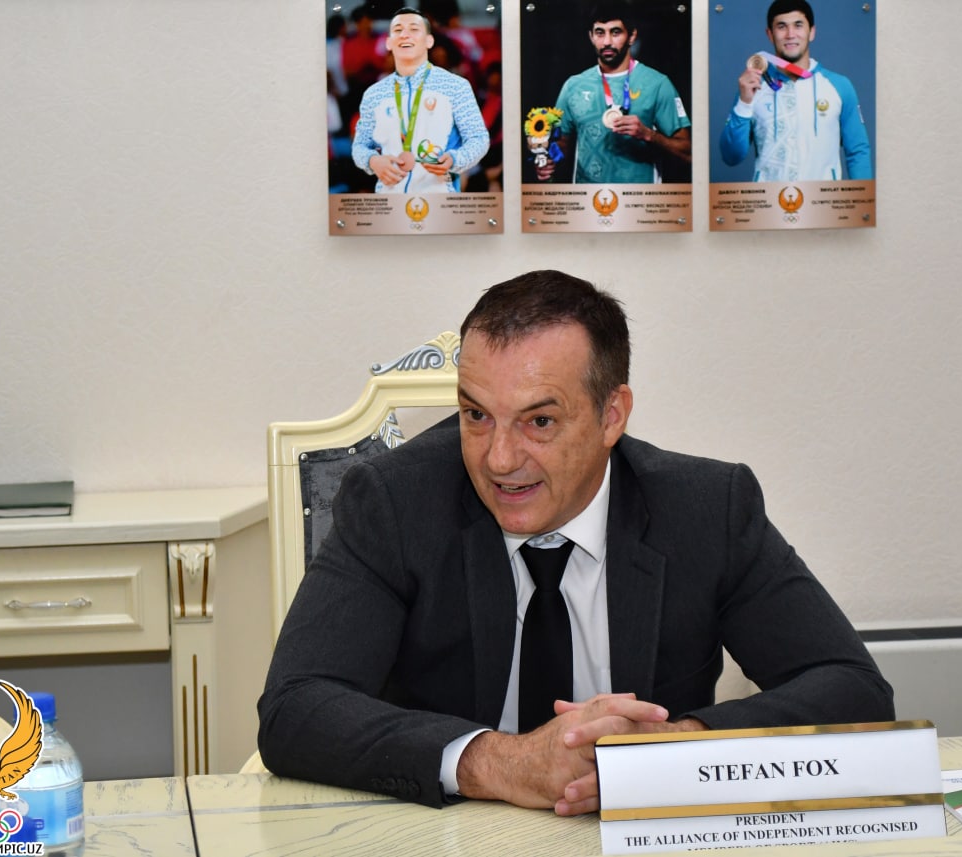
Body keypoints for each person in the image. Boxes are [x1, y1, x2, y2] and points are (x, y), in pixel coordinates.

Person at [258, 271, 893, 816]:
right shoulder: (396, 503)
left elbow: (854, 688)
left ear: (612, 415)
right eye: (476, 415)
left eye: (539, 421)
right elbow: (295, 707)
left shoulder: (706, 509)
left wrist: (679, 744)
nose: (499, 459)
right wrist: (501, 762)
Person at [536, 3, 690, 184]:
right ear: (591, 37)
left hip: (642, 199)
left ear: (631, 36)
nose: (607, 41)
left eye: (615, 32)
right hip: (587, 197)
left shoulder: (657, 84)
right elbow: (562, 143)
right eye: (600, 33)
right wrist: (548, 162)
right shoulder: (574, 86)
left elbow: (688, 152)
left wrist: (649, 135)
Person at [719, 0, 872, 182]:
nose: (790, 34)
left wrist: (863, 198)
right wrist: (744, 104)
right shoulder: (753, 86)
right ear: (770, 34)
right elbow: (731, 157)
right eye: (781, 27)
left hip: (824, 198)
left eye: (798, 25)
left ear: (812, 32)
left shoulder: (839, 86)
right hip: (766, 199)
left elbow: (857, 151)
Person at [352, 7, 489, 194]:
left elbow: (479, 139)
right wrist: (372, 161)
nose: (405, 35)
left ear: (429, 41)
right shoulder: (374, 94)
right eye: (398, 30)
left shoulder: (455, 86)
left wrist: (455, 159)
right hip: (389, 200)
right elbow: (360, 146)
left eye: (414, 29)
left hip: (441, 198)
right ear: (389, 43)